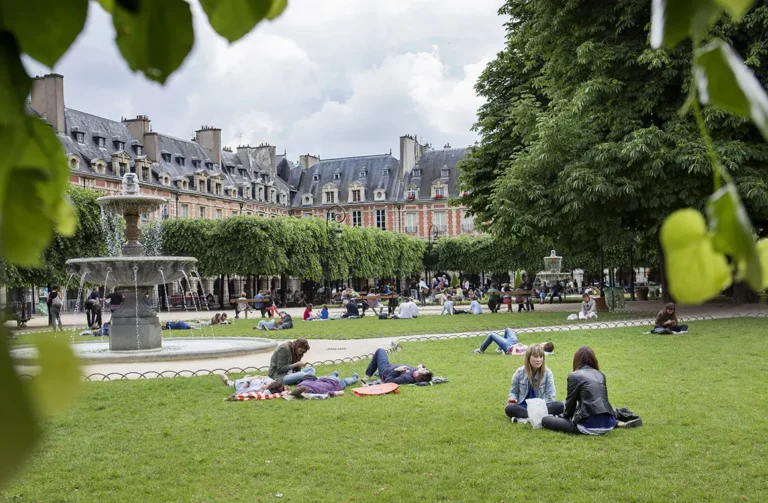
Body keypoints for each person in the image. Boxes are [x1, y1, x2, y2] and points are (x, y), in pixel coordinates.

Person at [541, 347, 619, 435]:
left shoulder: (574, 376)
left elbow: (570, 403)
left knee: (545, 420)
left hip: (588, 425)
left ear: (576, 360)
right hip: (609, 423)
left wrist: (563, 417)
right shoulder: (601, 375)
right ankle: (615, 423)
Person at [505, 344, 565, 423]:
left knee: (560, 405)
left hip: (541, 406)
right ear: (528, 357)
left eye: (541, 357)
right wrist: (513, 399)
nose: (538, 360)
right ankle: (539, 417)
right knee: (509, 408)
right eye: (535, 357)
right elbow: (513, 392)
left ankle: (525, 418)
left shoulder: (547, 373)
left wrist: (539, 408)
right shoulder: (519, 372)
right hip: (523, 406)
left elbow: (550, 396)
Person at [362, 348, 432, 385]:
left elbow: (388, 382)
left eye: (423, 370)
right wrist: (421, 366)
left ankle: (368, 374)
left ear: (418, 374)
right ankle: (374, 372)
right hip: (390, 367)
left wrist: (396, 370)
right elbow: (425, 374)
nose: (424, 368)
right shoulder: (416, 372)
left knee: (380, 351)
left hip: (385, 370)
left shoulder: (405, 378)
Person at [289, 371, 359, 399]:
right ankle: (334, 374)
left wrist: (340, 392)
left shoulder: (318, 390)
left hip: (335, 383)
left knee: (346, 381)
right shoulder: (301, 384)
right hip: (324, 378)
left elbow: (330, 393)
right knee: (332, 377)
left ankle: (354, 377)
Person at [219, 373, 286, 396]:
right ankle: (246, 377)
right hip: (256, 380)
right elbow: (268, 378)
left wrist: (250, 379)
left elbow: (239, 391)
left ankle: (228, 381)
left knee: (233, 383)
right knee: (250, 378)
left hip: (241, 383)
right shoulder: (272, 383)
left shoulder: (256, 390)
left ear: (267, 387)